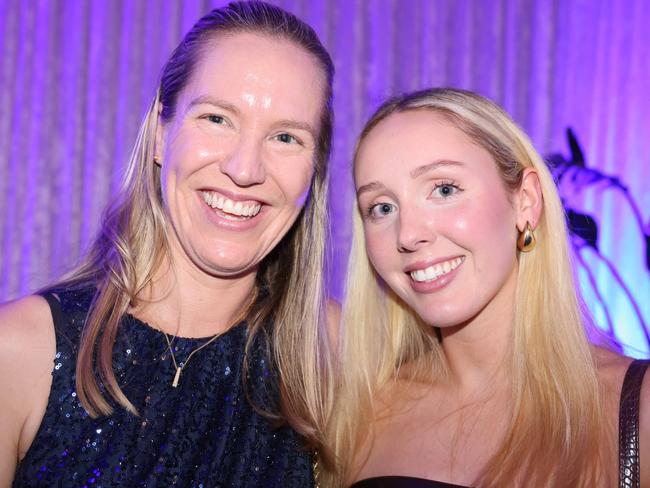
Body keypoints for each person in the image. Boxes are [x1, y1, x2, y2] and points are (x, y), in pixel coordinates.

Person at [0, 2, 335, 486]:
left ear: (314, 170)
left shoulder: (335, 362)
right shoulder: (18, 351)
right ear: (161, 134)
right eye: (217, 119)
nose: (244, 170)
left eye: (285, 137)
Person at [325, 88, 650, 487]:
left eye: (444, 189)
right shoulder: (358, 415)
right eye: (382, 208)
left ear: (525, 201)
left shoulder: (637, 408)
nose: (407, 234)